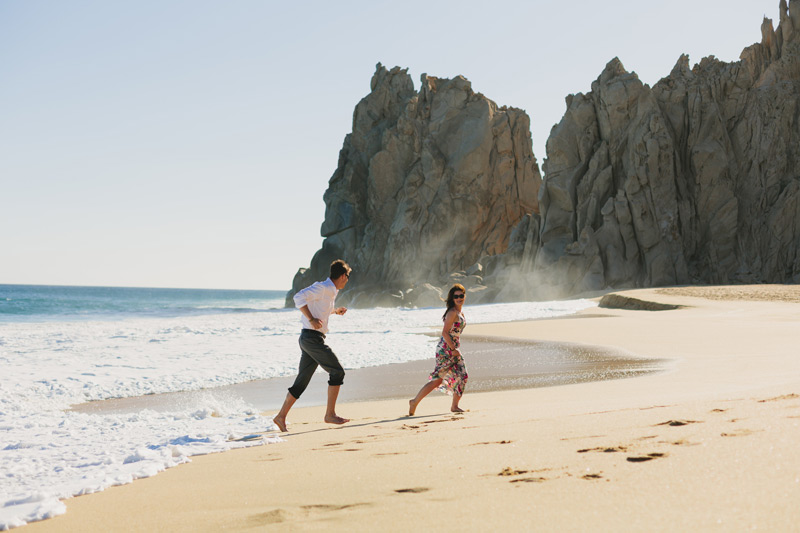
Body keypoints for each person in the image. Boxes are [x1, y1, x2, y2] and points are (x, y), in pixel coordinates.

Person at [272, 259, 352, 432]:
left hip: (311, 338)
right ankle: (330, 414)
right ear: (342, 275)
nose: (347, 280)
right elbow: (298, 297)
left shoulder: (330, 291)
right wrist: (311, 319)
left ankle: (280, 416)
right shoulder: (323, 287)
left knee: (302, 382)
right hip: (311, 339)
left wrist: (335, 311)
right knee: (337, 371)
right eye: (347, 276)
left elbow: (320, 308)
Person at [408, 284, 469, 415]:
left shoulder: (460, 312)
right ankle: (414, 402)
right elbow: (445, 332)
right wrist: (453, 349)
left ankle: (454, 406)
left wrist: (455, 348)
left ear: (464, 296)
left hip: (453, 348)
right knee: (437, 380)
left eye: (461, 296)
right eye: (456, 296)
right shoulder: (452, 313)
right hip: (446, 349)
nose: (459, 298)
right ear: (452, 298)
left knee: (462, 375)